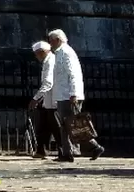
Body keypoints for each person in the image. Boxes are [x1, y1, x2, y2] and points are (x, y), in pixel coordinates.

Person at [45, 28, 105, 162]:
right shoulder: (60, 53)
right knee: (66, 125)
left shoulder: (66, 53)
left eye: (51, 41)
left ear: (58, 40)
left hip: (68, 95)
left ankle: (93, 146)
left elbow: (73, 74)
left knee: (72, 125)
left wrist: (74, 93)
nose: (50, 44)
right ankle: (67, 153)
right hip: (62, 95)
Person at [27, 40, 58, 158]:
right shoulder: (49, 61)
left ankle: (61, 150)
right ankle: (41, 149)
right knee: (44, 125)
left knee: (53, 126)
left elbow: (48, 83)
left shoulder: (50, 62)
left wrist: (35, 98)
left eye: (37, 54)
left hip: (52, 99)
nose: (36, 57)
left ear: (42, 52)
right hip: (48, 99)